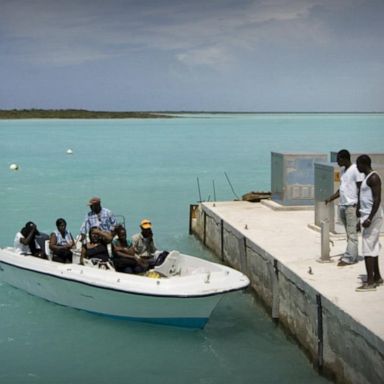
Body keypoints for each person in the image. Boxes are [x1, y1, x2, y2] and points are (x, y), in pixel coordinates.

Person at [325, 149, 364, 266]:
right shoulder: (343, 171)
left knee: (352, 234)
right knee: (348, 233)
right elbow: (342, 188)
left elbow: (361, 189)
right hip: (343, 205)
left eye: (338, 159)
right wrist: (331, 198)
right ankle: (352, 254)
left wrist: (359, 208)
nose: (337, 161)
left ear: (345, 158)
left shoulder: (356, 169)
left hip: (351, 206)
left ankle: (349, 258)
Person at [355, 155, 383, 291]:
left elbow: (377, 200)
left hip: (371, 218)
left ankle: (370, 282)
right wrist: (360, 215)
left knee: (367, 250)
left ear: (363, 164)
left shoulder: (374, 177)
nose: (357, 167)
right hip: (366, 216)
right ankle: (377, 277)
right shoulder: (366, 178)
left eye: (358, 164)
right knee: (373, 247)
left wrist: (370, 218)